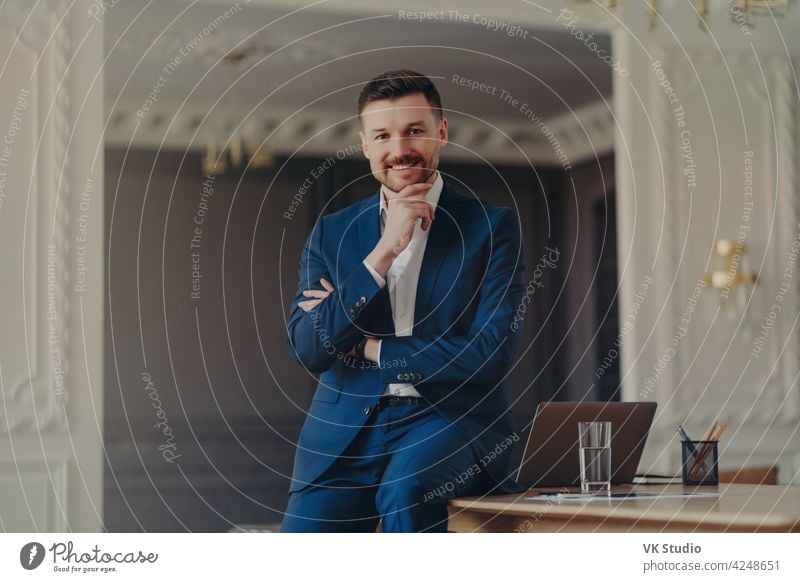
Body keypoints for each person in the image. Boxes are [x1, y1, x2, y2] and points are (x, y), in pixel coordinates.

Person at [281, 69, 526, 532]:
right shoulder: (332, 232)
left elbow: (489, 354)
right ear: (365, 144)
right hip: (342, 432)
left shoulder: (492, 229)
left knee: (407, 488)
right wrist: (384, 250)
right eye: (383, 135)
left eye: (414, 130)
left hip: (447, 422)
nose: (400, 149)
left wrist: (371, 349)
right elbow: (310, 348)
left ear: (442, 133)